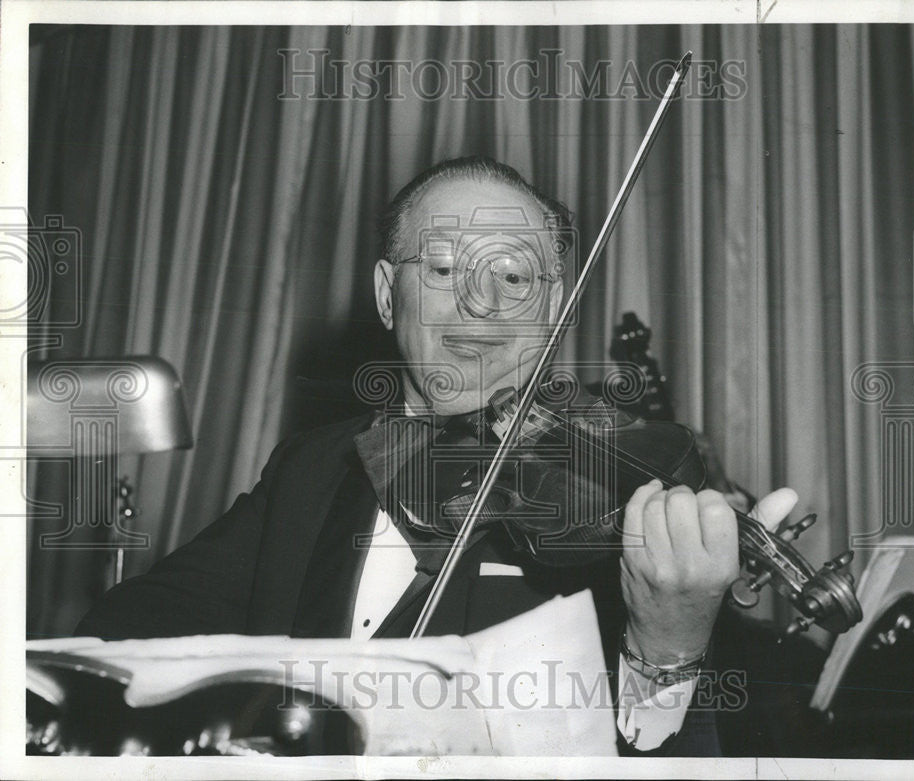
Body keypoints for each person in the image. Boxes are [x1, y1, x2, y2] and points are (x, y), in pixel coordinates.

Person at [76, 156, 797, 755]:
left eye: (515, 277)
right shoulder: (314, 466)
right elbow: (122, 632)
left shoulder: (608, 493)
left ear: (552, 307)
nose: (482, 305)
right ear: (389, 295)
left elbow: (689, 760)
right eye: (446, 268)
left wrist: (665, 650)